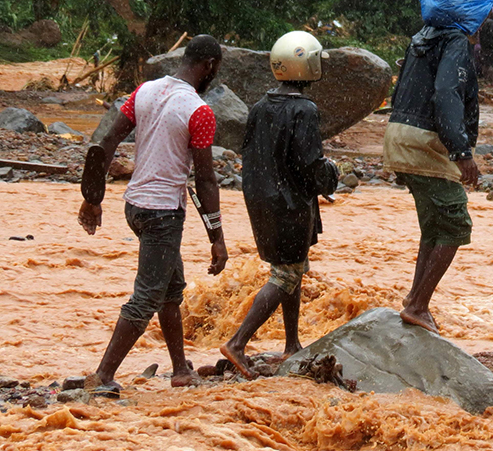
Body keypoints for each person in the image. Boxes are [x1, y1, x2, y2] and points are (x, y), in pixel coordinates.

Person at [78, 35, 228, 395]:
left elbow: (106, 143)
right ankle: (103, 376)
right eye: (215, 70)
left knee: (171, 288)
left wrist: (93, 198)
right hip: (163, 214)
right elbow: (206, 180)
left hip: (135, 206)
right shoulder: (199, 111)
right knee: (146, 297)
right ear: (208, 66)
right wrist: (217, 237)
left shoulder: (143, 92)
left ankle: (179, 369)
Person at [383, 0, 493, 334]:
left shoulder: (421, 39)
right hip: (426, 143)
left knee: (433, 226)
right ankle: (418, 305)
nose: (483, 23)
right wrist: (462, 151)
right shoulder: (454, 43)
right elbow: (446, 94)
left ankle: (413, 301)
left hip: (399, 135)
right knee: (455, 225)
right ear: (468, 13)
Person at [220, 31, 339, 378]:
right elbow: (310, 162)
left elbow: (255, 154)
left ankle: (291, 343)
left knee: (294, 267)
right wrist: (331, 175)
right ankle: (238, 343)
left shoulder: (260, 106)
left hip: (261, 198)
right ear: (309, 65)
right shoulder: (305, 109)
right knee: (286, 272)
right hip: (290, 203)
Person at [478, 14, 493, 84]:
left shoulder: (481, 21)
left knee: (485, 63)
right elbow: (492, 35)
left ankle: (485, 79)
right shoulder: (491, 22)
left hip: (483, 45)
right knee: (491, 63)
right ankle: (491, 80)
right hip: (490, 45)